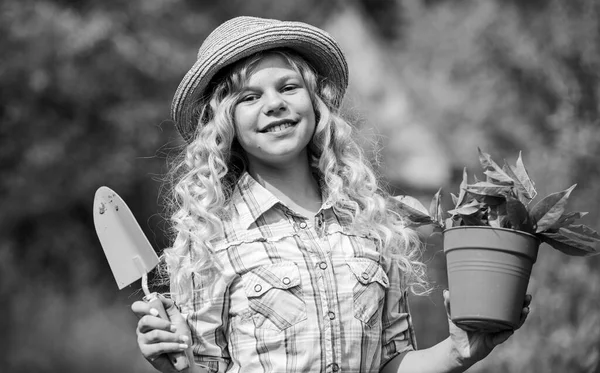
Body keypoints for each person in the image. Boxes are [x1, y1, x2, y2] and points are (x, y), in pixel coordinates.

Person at [131, 16, 531, 373]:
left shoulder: (371, 225)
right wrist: (177, 366)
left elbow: (390, 363)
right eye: (250, 97)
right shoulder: (210, 240)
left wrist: (460, 352)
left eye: (289, 87)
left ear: (315, 104)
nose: (275, 104)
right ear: (225, 122)